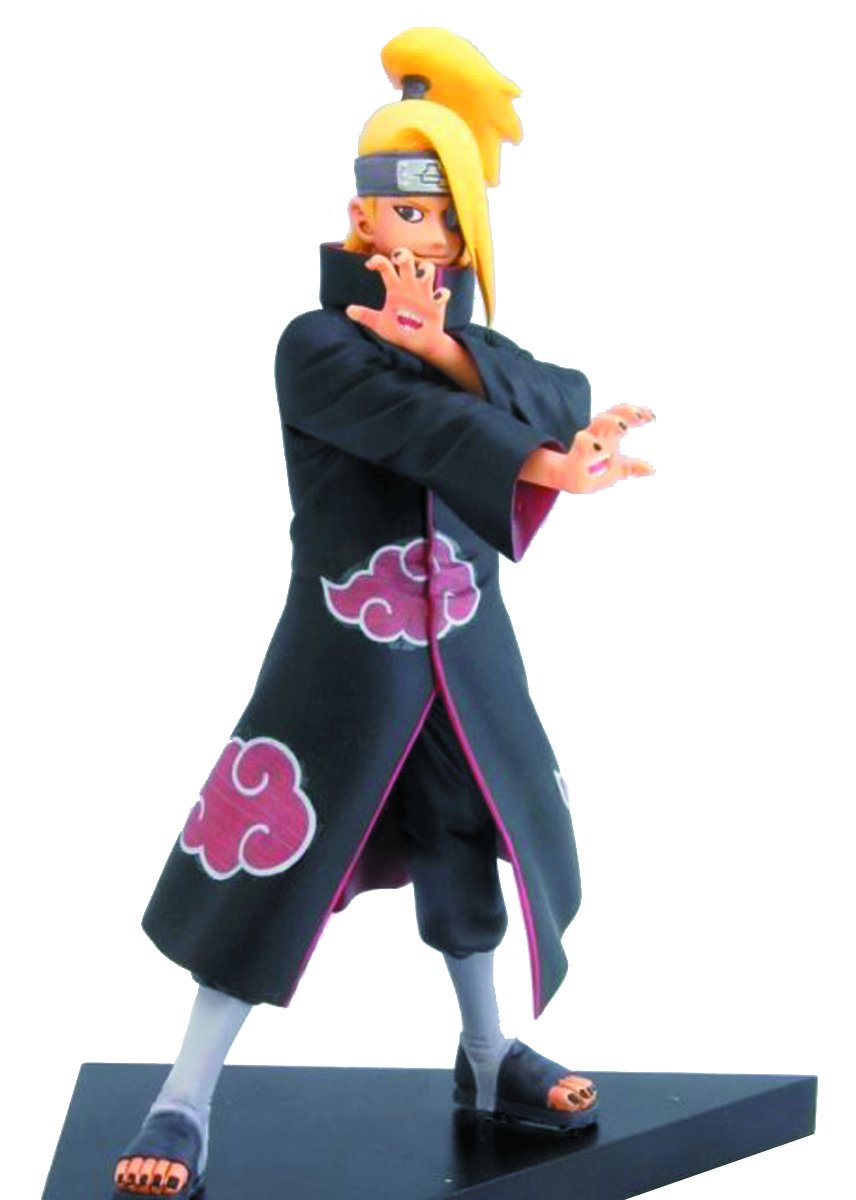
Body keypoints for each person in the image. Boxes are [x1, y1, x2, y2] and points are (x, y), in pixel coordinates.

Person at [112, 26, 654, 1198]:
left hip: (465, 652)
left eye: (444, 220)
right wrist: (545, 462)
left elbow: (554, 394)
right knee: (268, 866)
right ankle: (182, 1096)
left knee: (472, 846)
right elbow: (425, 429)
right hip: (344, 660)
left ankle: (487, 1055)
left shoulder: (467, 348)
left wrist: (455, 352)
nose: (425, 239)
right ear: (361, 218)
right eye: (406, 213)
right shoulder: (316, 345)